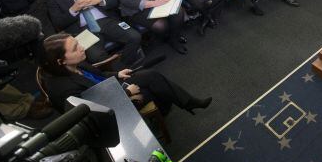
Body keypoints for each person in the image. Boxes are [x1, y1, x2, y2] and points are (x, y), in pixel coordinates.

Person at [40, 33, 212, 114]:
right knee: (155, 87)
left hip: (112, 88)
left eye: (78, 43)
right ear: (60, 61)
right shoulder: (64, 89)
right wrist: (127, 93)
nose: (82, 48)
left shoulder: (74, 63)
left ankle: (187, 102)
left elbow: (97, 76)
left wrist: (117, 74)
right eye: (75, 48)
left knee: (151, 75)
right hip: (111, 108)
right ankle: (175, 105)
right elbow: (93, 109)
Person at [46, 0, 143, 66]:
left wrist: (99, 1)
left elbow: (114, 1)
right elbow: (58, 23)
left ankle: (122, 67)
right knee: (96, 56)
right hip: (83, 31)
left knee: (135, 37)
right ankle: (119, 72)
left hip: (107, 21)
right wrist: (73, 10)